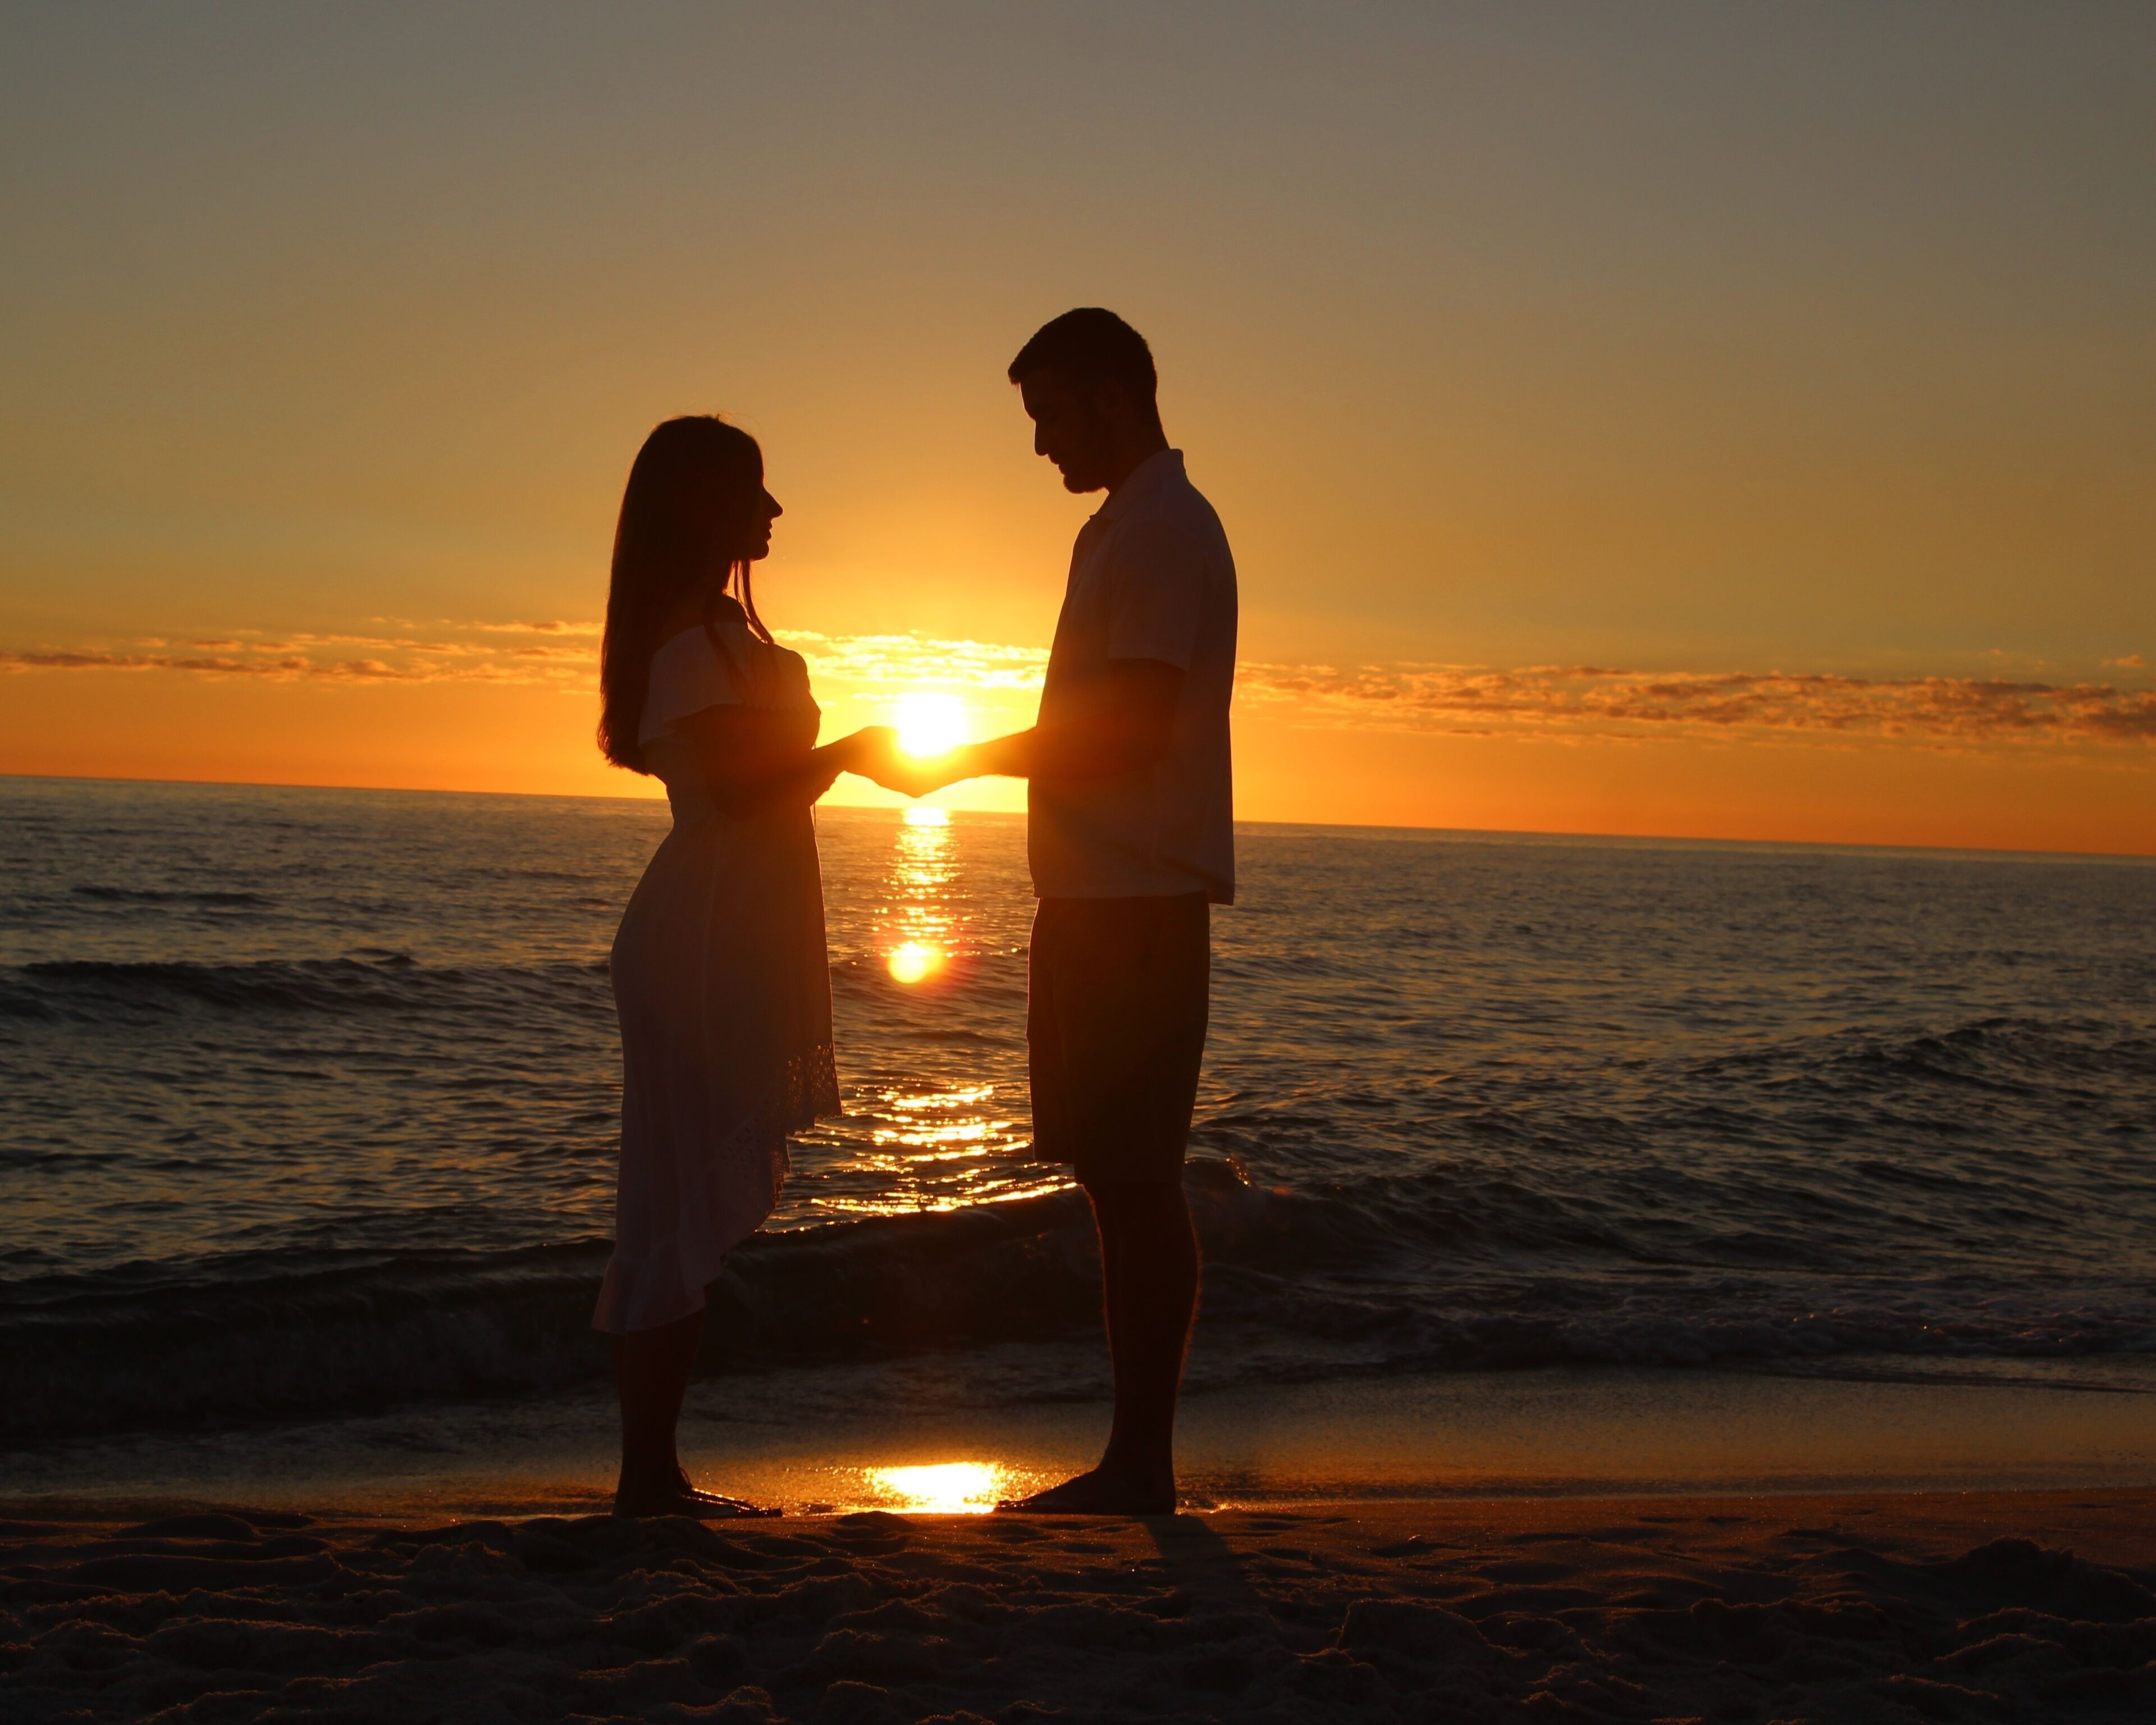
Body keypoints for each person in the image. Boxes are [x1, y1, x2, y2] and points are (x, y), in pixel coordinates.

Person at [897, 308, 1238, 1515]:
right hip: (1104, 897)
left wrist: (955, 760)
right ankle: (1132, 1458)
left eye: (1047, 415)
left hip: (1134, 901)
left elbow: (1131, 728)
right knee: (1119, 1178)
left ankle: (1140, 1464)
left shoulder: (1155, 532)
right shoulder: (1127, 530)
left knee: (1136, 1179)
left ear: (1106, 395)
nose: (1039, 443)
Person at [593, 415, 902, 1518]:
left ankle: (657, 1472)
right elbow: (735, 794)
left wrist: (840, 762)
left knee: (685, 1196)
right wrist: (856, 751)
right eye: (754, 491)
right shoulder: (684, 643)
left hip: (743, 926)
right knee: (669, 1200)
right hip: (701, 934)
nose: (774, 511)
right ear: (700, 506)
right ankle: (649, 1476)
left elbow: (774, 791)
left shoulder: (724, 632)